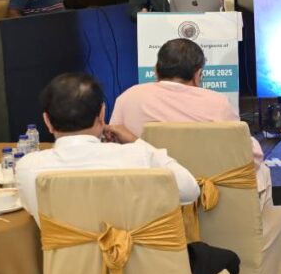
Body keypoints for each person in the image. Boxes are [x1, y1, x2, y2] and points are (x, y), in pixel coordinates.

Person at [15, 72, 239, 274]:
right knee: (227, 259)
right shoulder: (136, 157)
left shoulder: (27, 168)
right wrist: (138, 143)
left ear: (47, 120)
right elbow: (190, 190)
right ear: (102, 114)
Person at [110, 38, 272, 207]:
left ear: (156, 70)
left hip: (148, 202)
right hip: (207, 200)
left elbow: (112, 150)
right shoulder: (216, 103)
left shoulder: (127, 98)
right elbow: (249, 157)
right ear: (198, 74)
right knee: (262, 172)